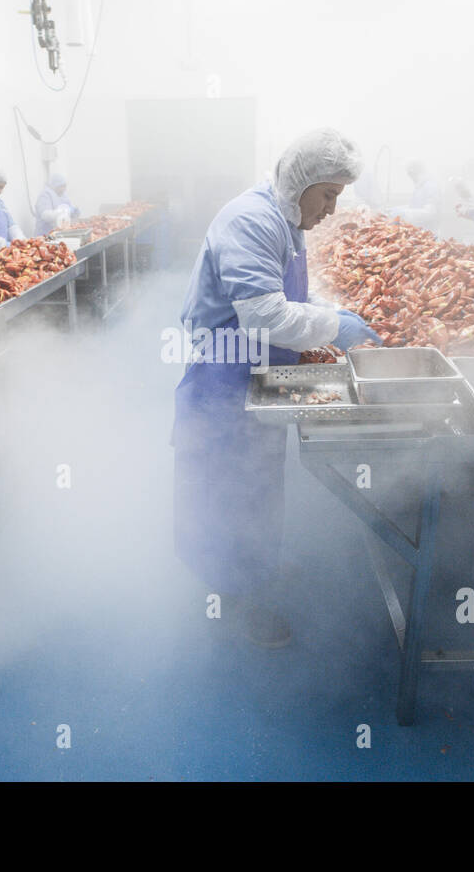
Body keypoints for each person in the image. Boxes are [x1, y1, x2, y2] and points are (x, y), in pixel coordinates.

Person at [172, 128, 379, 648]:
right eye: (329, 194)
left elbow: (276, 296)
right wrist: (334, 325)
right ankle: (231, 603)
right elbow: (265, 316)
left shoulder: (285, 219)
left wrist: (322, 318)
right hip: (226, 378)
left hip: (260, 374)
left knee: (258, 484)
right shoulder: (252, 220)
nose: (332, 209)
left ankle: (255, 569)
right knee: (226, 494)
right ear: (303, 181)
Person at [34, 171, 80, 238]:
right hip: (44, 235)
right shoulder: (45, 196)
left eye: (65, 186)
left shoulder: (63, 195)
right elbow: (46, 215)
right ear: (54, 186)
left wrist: (74, 212)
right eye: (61, 186)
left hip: (59, 234)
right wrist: (67, 211)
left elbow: (68, 207)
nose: (64, 189)